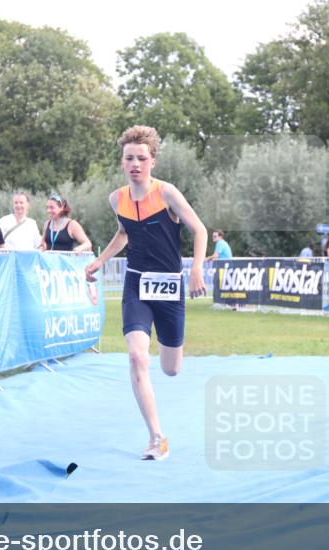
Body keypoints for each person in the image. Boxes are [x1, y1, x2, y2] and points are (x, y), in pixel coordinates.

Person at [84, 125, 207, 461]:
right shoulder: (117, 198)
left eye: (141, 158)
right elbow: (124, 234)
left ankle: (168, 352)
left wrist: (195, 269)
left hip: (169, 286)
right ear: (122, 163)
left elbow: (200, 230)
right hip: (136, 283)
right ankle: (157, 436)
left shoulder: (167, 194)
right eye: (129, 158)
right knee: (137, 356)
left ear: (152, 162)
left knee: (170, 369)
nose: (135, 163)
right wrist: (100, 261)